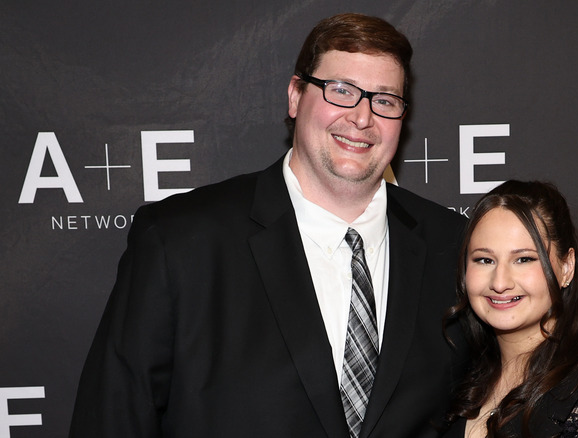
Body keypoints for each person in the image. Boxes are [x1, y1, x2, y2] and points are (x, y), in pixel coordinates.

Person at [69, 13, 466, 438]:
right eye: (341, 90)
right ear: (295, 96)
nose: (362, 117)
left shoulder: (453, 245)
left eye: (384, 100)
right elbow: (113, 420)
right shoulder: (180, 241)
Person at [439, 180, 578, 438]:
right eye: (485, 259)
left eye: (524, 259)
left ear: (567, 267)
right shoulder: (459, 380)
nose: (500, 282)